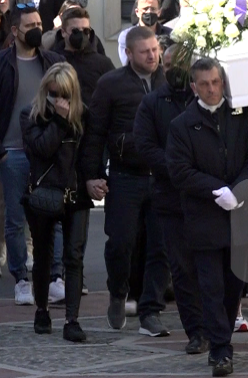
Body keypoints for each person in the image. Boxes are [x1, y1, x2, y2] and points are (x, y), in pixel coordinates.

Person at [163, 57, 248, 376]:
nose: (211, 89)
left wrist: (238, 190)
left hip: (240, 215)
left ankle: (221, 337)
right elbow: (179, 170)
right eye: (204, 84)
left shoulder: (242, 117)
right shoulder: (182, 124)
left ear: (223, 82)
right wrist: (216, 190)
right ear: (194, 87)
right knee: (210, 287)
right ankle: (221, 350)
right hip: (204, 218)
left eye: (215, 82)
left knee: (233, 287)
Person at [83, 26, 171, 336]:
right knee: (121, 243)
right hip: (125, 176)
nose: (152, 56)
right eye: (145, 51)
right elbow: (95, 133)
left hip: (162, 177)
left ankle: (151, 310)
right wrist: (92, 175)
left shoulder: (168, 81)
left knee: (160, 247)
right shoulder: (111, 84)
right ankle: (118, 293)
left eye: (155, 49)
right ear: (129, 53)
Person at [0, 5, 65, 305]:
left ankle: (55, 277)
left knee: (54, 215)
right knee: (15, 220)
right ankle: (21, 279)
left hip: (47, 151)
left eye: (39, 23)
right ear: (15, 30)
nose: (36, 29)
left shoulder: (53, 61)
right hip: (12, 153)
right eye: (30, 25)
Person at [134, 45, 209, 354]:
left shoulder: (205, 99)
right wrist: (177, 167)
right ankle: (196, 332)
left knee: (209, 266)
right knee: (180, 268)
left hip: (204, 197)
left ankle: (214, 325)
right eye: (168, 65)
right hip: (169, 197)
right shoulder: (152, 103)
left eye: (180, 64)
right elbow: (144, 145)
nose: (173, 70)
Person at [20, 62, 92, 341]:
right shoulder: (31, 115)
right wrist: (60, 121)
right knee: (43, 255)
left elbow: (89, 155)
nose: (59, 100)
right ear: (45, 91)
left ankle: (72, 320)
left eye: (65, 95)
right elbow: (41, 149)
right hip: (44, 194)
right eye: (53, 93)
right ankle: (42, 310)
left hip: (75, 193)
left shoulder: (84, 116)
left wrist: (93, 179)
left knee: (73, 256)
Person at [50, 6, 114, 102]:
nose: (81, 35)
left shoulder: (102, 63)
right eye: (75, 31)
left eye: (85, 31)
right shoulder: (52, 60)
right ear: (63, 32)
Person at [118, 0, 173, 66]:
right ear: (137, 12)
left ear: (159, 12)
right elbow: (129, 64)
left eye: (153, 9)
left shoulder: (170, 34)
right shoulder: (127, 36)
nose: (149, 12)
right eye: (145, 9)